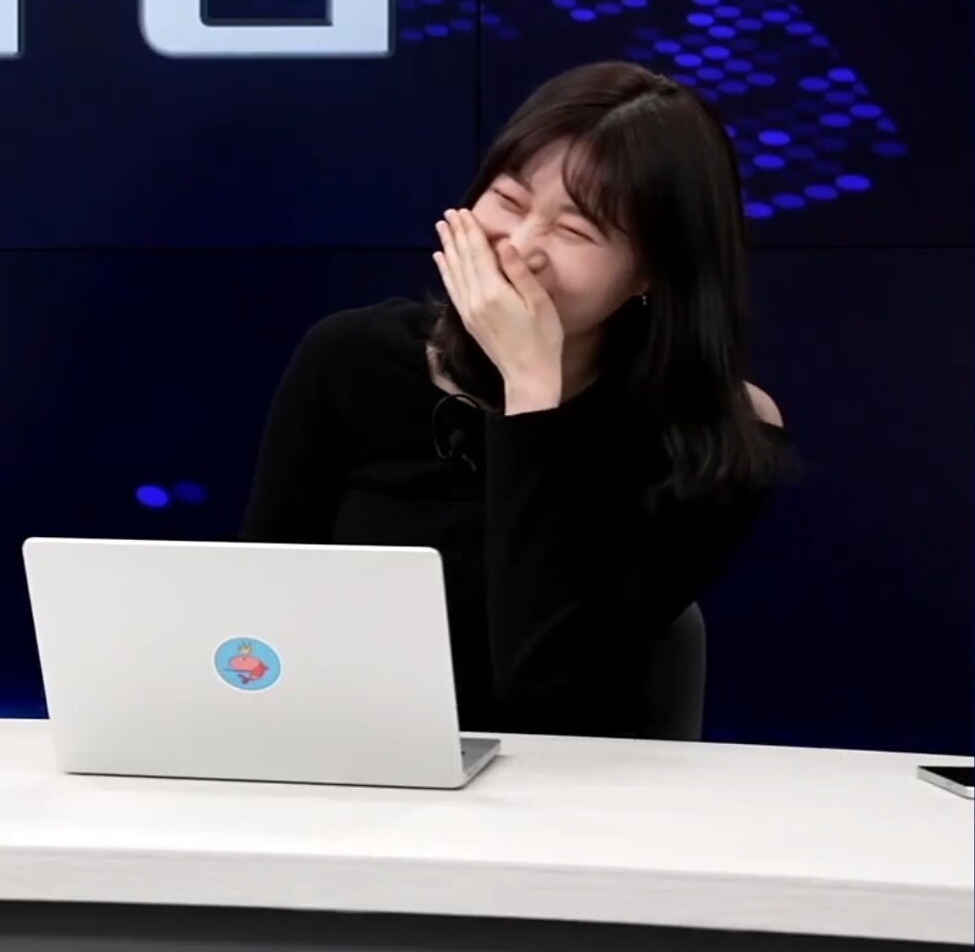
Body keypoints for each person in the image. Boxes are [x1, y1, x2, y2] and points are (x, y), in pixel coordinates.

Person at [241, 61, 791, 739]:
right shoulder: (351, 359)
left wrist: (531, 392)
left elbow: (547, 700)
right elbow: (258, 620)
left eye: (575, 231)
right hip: (355, 759)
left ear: (649, 273)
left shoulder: (709, 436)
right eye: (509, 200)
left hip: (571, 785)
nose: (521, 247)